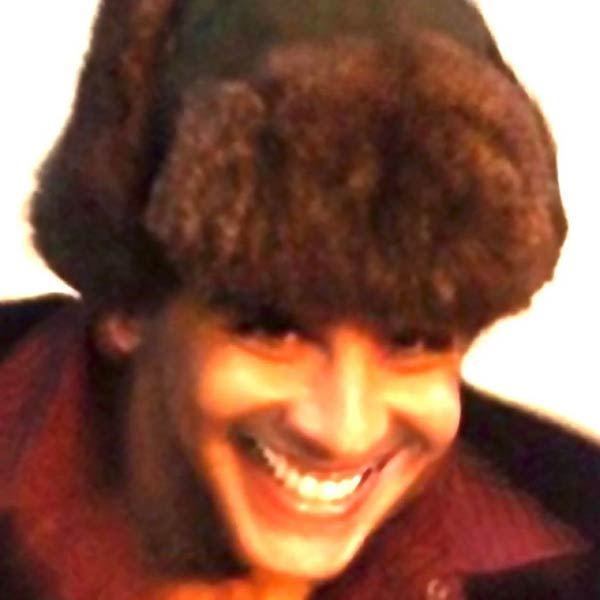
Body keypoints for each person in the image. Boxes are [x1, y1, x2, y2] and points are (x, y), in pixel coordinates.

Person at [1, 0, 598, 598]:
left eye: (413, 341)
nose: (344, 431)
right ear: (128, 304)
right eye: (273, 330)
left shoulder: (567, 552)